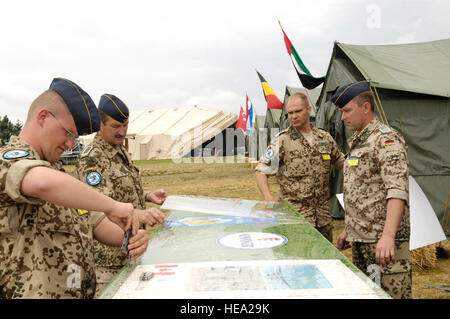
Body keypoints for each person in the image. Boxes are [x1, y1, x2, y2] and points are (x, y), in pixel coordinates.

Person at [0, 78, 143, 299]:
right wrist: (113, 205)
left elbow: (95, 223)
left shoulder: (57, 172)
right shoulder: (8, 161)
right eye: (68, 134)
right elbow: (41, 183)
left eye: (74, 138)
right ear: (43, 117)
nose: (70, 145)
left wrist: (133, 237)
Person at [75, 93, 166, 295]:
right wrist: (140, 215)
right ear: (101, 124)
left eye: (125, 125)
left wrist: (148, 196)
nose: (122, 132)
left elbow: (121, 190)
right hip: (108, 262)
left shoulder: (120, 150)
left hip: (131, 250)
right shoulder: (92, 159)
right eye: (116, 126)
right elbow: (95, 205)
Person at [333, 81, 411, 299]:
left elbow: (397, 191)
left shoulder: (386, 140)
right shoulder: (360, 141)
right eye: (341, 112)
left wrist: (388, 236)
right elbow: (363, 191)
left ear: (365, 107)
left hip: (383, 245)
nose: (342, 117)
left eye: (347, 111)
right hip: (361, 241)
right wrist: (351, 229)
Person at [255, 93, 345, 242]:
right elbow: (261, 171)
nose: (293, 116)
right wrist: (268, 198)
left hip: (322, 219)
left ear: (309, 109)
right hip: (295, 218)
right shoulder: (282, 140)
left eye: (298, 111)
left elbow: (342, 163)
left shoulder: (324, 138)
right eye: (290, 113)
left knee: (324, 260)